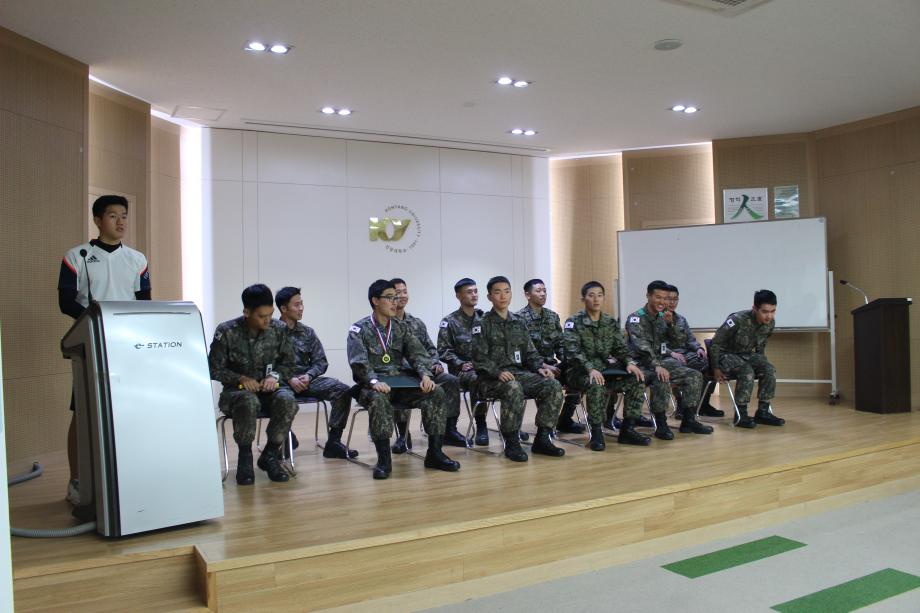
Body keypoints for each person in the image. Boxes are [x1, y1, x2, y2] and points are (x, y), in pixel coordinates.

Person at [58, 194, 151, 504]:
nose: (120, 221)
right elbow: (66, 301)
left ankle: (128, 476)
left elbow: (144, 301)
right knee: (82, 411)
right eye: (113, 216)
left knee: (129, 410)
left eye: (124, 215)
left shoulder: (137, 259)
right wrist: (96, 320)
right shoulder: (77, 256)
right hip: (91, 343)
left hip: (128, 347)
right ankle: (76, 480)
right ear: (98, 220)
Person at [346, 279, 460, 480]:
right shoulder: (359, 329)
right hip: (373, 386)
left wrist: (425, 375)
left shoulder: (401, 327)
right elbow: (359, 363)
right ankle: (384, 460)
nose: (395, 302)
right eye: (389, 298)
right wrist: (374, 381)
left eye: (396, 297)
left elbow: (418, 354)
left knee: (436, 392)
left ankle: (435, 453)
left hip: (401, 384)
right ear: (375, 301)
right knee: (379, 399)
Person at [209, 284, 299, 485]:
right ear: (246, 312)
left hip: (269, 390)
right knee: (248, 401)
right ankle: (245, 458)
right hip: (236, 394)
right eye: (261, 316)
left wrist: (274, 376)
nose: (267, 320)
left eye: (270, 314)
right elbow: (214, 369)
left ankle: (270, 455)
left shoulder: (279, 329)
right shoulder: (227, 331)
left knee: (287, 400)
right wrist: (240, 378)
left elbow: (289, 364)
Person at [472, 276, 565, 462]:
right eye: (498, 292)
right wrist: (497, 372)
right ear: (490, 297)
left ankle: (542, 439)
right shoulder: (482, 324)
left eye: (506, 291)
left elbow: (530, 352)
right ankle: (512, 442)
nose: (503, 296)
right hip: (490, 379)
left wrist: (540, 367)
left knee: (552, 385)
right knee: (513, 387)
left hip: (519, 374)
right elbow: (478, 358)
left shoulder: (518, 321)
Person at [563, 282, 651, 450]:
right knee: (596, 384)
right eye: (591, 295)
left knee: (636, 379)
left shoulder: (609, 321)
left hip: (605, 371)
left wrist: (629, 362)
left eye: (600, 295)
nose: (596, 299)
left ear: (604, 298)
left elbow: (620, 348)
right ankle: (596, 433)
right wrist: (590, 368)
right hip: (579, 372)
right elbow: (572, 352)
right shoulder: (573, 322)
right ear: (583, 299)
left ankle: (627, 430)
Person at [275, 286, 357, 460]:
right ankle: (284, 437)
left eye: (302, 304)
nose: (301, 308)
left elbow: (321, 361)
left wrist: (309, 375)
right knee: (279, 398)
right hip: (281, 384)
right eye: (296, 305)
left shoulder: (307, 332)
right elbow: (265, 366)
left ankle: (334, 442)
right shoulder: (270, 332)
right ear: (283, 308)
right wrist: (289, 379)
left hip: (306, 381)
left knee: (342, 390)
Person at [625, 280, 712, 438]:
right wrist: (657, 365)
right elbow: (642, 347)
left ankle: (688, 420)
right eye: (658, 297)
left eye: (665, 298)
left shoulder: (662, 317)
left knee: (694, 375)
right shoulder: (636, 318)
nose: (663, 302)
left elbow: (674, 343)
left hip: (660, 361)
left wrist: (671, 325)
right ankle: (661, 424)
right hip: (640, 364)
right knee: (661, 377)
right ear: (648, 296)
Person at [391, 278, 467, 450]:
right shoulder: (386, 324)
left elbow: (430, 348)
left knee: (451, 381)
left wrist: (435, 363)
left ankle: (449, 430)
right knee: (400, 384)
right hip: (403, 373)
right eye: (397, 293)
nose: (402, 296)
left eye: (405, 291)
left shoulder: (416, 323)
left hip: (425, 371)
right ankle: (403, 435)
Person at [517, 278, 584, 434]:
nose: (543, 294)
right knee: (548, 382)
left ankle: (565, 419)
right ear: (528, 295)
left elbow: (561, 345)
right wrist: (542, 366)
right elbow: (521, 352)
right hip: (530, 369)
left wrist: (570, 362)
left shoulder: (552, 317)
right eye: (538, 291)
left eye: (544, 290)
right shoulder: (519, 319)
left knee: (579, 373)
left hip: (553, 366)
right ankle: (545, 426)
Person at [710, 290, 784, 428]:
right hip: (725, 355)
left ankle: (763, 413)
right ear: (754, 308)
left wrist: (762, 364)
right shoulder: (737, 319)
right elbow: (715, 343)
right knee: (747, 371)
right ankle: (741, 415)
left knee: (769, 369)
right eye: (765, 311)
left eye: (773, 311)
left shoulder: (770, 323)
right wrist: (716, 368)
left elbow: (761, 347)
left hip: (745, 355)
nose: (769, 316)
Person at [437, 278, 491, 446]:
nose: (474, 295)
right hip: (462, 371)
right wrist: (460, 363)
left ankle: (513, 428)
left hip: (484, 367)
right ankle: (481, 425)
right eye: (469, 292)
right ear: (458, 296)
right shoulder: (450, 321)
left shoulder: (484, 319)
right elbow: (443, 350)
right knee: (476, 378)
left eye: (475, 291)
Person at [665, 285, 723, 417]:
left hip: (686, 353)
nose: (672, 302)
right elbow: (657, 344)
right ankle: (682, 405)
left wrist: (698, 348)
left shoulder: (681, 319)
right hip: (668, 355)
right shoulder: (657, 319)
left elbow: (690, 338)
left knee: (709, 365)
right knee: (681, 367)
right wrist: (671, 353)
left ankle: (703, 404)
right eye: (669, 299)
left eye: (675, 299)